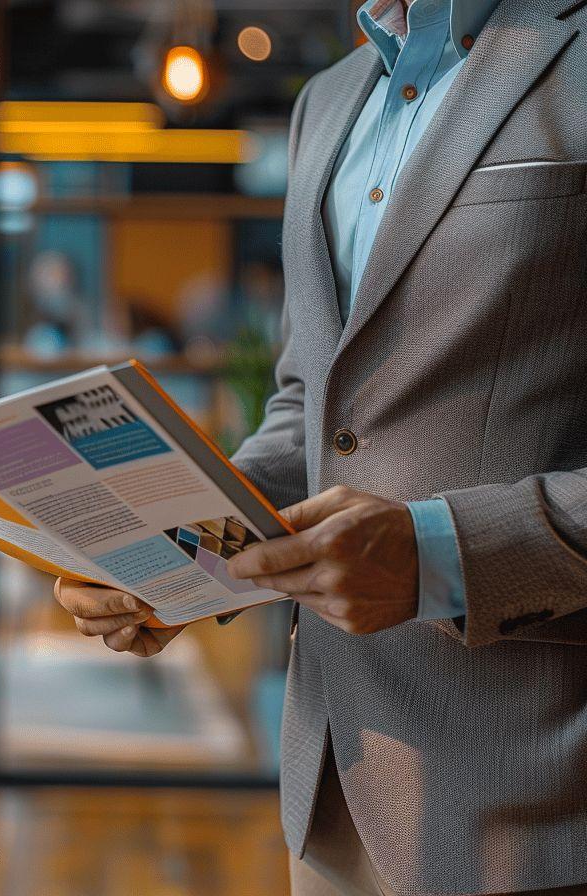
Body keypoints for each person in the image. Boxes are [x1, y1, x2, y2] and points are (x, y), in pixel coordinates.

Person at [54, 0, 587, 893]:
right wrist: (174, 550)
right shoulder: (330, 98)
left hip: (538, 788)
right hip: (332, 777)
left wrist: (437, 555)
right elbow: (313, 406)